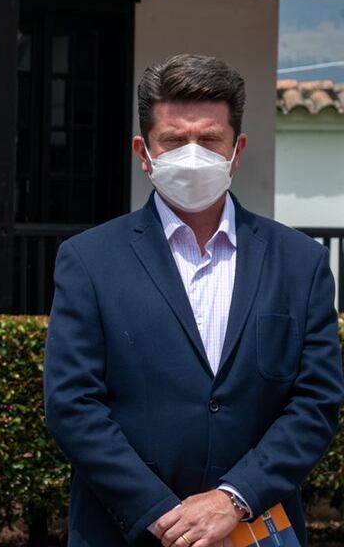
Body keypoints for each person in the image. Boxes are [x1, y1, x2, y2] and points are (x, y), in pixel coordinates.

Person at [44, 54, 344, 547]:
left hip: (258, 529)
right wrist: (161, 514)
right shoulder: (89, 260)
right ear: (144, 152)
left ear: (236, 149)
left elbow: (316, 403)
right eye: (173, 140)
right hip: (128, 532)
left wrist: (233, 498)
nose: (191, 154)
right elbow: (72, 404)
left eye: (208, 140)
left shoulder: (300, 262)